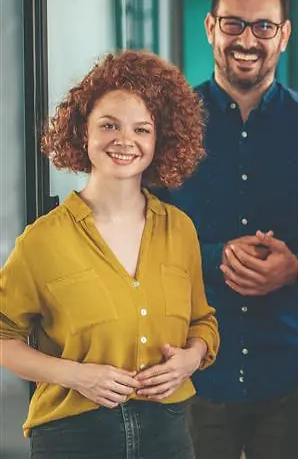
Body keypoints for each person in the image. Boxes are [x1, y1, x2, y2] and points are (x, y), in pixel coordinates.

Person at [158, 0, 298, 459]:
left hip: (296, 373)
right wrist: (215, 257)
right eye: (233, 23)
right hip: (190, 370)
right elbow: (141, 236)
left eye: (264, 26)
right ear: (211, 27)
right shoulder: (166, 127)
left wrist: (297, 267)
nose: (247, 40)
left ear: (284, 35)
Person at [0, 50, 220, 459]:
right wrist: (76, 375)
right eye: (109, 125)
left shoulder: (179, 230)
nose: (125, 140)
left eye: (142, 129)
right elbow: (3, 336)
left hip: (168, 432)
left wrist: (190, 359)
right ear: (83, 132)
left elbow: (202, 322)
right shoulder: (42, 241)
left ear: (159, 141)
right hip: (72, 436)